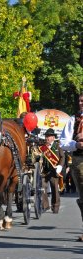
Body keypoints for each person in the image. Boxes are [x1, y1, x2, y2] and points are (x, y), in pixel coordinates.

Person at [60, 93, 83, 240]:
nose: (81, 103)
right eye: (80, 100)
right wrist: (76, 144)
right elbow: (63, 142)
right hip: (80, 160)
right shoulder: (73, 120)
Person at [39, 128, 64, 213]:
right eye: (46, 136)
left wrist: (60, 166)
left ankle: (55, 207)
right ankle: (45, 206)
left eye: (48, 136)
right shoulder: (42, 147)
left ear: (53, 137)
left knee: (54, 189)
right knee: (42, 188)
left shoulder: (57, 146)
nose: (47, 138)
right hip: (45, 171)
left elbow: (62, 157)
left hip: (54, 171)